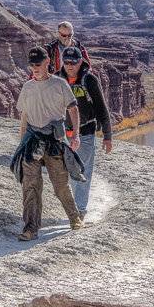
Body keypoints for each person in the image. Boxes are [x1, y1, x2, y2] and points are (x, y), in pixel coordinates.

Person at [11, 47, 86, 241]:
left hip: (54, 142)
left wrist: (75, 135)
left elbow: (73, 108)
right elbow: (24, 117)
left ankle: (74, 217)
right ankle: (31, 228)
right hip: (32, 142)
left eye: (38, 64)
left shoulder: (59, 84)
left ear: (47, 64)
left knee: (60, 184)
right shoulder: (27, 87)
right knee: (30, 186)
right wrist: (21, 144)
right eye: (32, 64)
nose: (34, 67)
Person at [57, 46, 112, 216]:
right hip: (62, 134)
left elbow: (102, 109)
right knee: (63, 172)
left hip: (86, 133)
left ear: (80, 62)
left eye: (73, 62)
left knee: (82, 172)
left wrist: (107, 136)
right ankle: (72, 207)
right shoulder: (57, 80)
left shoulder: (89, 80)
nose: (69, 65)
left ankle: (79, 210)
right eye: (66, 62)